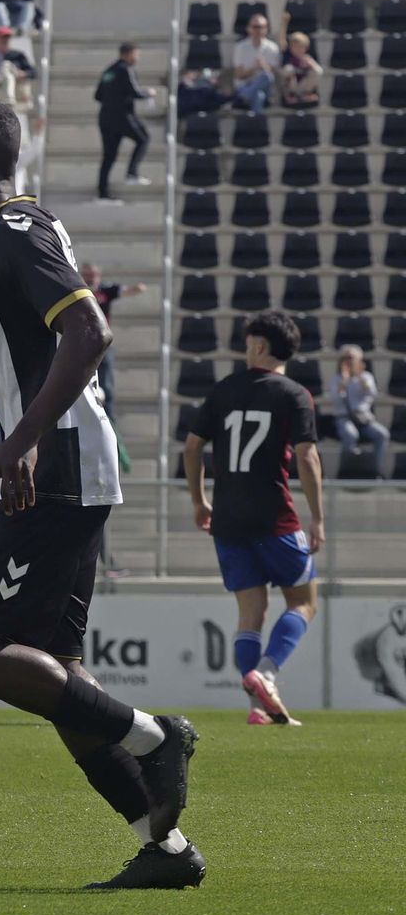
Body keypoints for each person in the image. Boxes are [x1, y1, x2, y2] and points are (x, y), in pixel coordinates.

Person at [0, 96, 202, 890]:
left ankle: (157, 734)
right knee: (59, 679)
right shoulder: (7, 236)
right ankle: (166, 849)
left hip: (58, 474)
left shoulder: (15, 231)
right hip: (59, 466)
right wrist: (13, 429)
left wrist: (21, 439)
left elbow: (90, 329)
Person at [183, 310, 324, 727]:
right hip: (275, 517)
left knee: (250, 613)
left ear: (260, 346)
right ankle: (266, 675)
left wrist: (199, 501)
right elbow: (307, 455)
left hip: (227, 518)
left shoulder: (225, 389)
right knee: (304, 601)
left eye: (248, 344)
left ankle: (258, 707)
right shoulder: (294, 394)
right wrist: (317, 517)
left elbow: (191, 448)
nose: (245, 351)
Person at [81, 262, 145, 418]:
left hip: (102, 345)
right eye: (87, 275)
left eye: (93, 275)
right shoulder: (77, 292)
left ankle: (109, 422)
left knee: (106, 387)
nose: (91, 279)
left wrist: (137, 288)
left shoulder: (105, 291)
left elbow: (127, 290)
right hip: (81, 345)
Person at [95, 42, 156, 203]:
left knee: (109, 156)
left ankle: (102, 192)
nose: (137, 58)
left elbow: (98, 95)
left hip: (105, 118)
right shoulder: (126, 70)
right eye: (136, 54)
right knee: (144, 138)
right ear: (128, 54)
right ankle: (132, 173)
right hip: (122, 117)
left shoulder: (109, 71)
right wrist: (149, 93)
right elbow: (135, 92)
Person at [330, 344, 390, 480]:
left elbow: (372, 394)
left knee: (382, 434)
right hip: (344, 418)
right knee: (351, 435)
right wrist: (344, 381)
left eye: (352, 358)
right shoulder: (337, 379)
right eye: (346, 358)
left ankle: (376, 470)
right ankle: (347, 471)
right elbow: (335, 399)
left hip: (363, 419)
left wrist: (360, 377)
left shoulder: (367, 377)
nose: (349, 361)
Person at [232, 12, 280, 116]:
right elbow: (238, 76)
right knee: (258, 96)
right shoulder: (240, 47)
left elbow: (273, 77)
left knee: (266, 76)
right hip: (245, 85)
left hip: (265, 88)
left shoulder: (272, 48)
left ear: (266, 29)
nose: (258, 30)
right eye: (255, 27)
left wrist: (263, 67)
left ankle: (244, 97)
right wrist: (254, 68)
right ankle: (255, 128)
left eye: (262, 27)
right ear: (248, 28)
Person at [278, 20, 323, 108]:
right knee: (287, 70)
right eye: (295, 47)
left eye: (300, 47)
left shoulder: (308, 58)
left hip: (303, 88)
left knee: (317, 71)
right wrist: (284, 23)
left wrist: (310, 65)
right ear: (290, 48)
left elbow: (318, 71)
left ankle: (304, 95)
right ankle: (289, 96)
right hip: (291, 87)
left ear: (305, 48)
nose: (298, 49)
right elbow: (281, 41)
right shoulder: (287, 56)